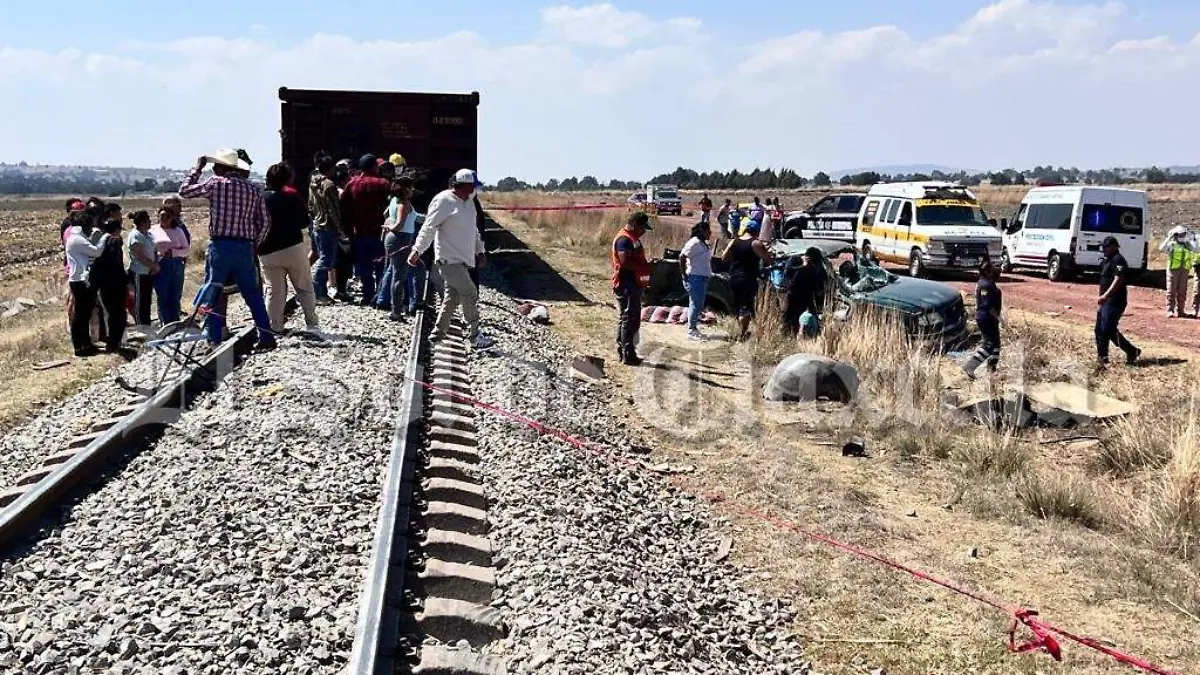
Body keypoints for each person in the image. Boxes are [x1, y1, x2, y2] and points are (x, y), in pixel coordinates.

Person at [178, 148, 276, 350]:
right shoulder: (254, 189)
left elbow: (184, 191)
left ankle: (214, 339)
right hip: (245, 247)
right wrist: (255, 244)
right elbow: (265, 221)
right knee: (252, 295)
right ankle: (266, 337)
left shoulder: (215, 184)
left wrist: (197, 168)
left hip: (221, 246)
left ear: (223, 167)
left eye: (216, 165)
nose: (213, 168)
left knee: (214, 291)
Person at [408, 169, 491, 348]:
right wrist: (417, 251)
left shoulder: (469, 202)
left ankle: (437, 333)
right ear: (463, 185)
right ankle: (475, 336)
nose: (475, 190)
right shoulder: (443, 201)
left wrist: (480, 251)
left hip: (463, 259)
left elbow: (473, 230)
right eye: (472, 186)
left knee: (452, 298)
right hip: (448, 259)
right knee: (470, 292)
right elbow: (429, 228)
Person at [261, 162, 326, 338]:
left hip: (267, 250)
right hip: (293, 247)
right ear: (287, 179)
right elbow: (305, 222)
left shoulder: (260, 198)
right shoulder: (292, 197)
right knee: (304, 286)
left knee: (274, 291)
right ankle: (312, 324)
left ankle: (275, 327)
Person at [340, 154, 391, 305]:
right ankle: (381, 296)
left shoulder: (352, 184)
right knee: (381, 266)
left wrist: (348, 231)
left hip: (359, 232)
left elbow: (343, 209)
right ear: (375, 167)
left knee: (364, 266)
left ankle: (368, 295)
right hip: (381, 232)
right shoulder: (383, 183)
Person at [63, 211, 113, 356]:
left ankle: (85, 344)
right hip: (80, 280)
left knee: (83, 315)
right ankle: (80, 346)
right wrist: (104, 237)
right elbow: (96, 252)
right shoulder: (77, 239)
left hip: (81, 279)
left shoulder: (76, 238)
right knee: (81, 316)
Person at [611, 211, 653, 364]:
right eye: (643, 228)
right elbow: (625, 262)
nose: (644, 232)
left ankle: (626, 351)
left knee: (629, 319)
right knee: (629, 319)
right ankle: (627, 354)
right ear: (635, 225)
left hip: (633, 284)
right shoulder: (624, 240)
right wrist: (644, 266)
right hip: (626, 285)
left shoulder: (633, 238)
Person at [722, 219, 773, 341]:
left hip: (734, 277)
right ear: (756, 231)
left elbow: (724, 257)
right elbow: (768, 260)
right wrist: (768, 252)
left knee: (738, 305)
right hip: (747, 278)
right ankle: (743, 334)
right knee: (746, 307)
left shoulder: (735, 241)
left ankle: (741, 331)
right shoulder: (755, 243)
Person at [1095, 236, 1141, 366]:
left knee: (1108, 329)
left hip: (1115, 301)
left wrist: (1106, 295)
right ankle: (1102, 359)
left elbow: (1118, 279)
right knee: (1099, 330)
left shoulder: (1118, 260)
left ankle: (1131, 351)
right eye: (1103, 247)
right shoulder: (1107, 260)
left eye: (1107, 247)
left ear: (1114, 246)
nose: (1104, 250)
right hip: (1105, 302)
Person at [380, 176, 418, 321]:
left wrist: (388, 223)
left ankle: (391, 305)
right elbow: (399, 225)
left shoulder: (393, 201)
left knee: (394, 272)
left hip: (393, 239)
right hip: (400, 239)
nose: (413, 190)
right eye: (412, 187)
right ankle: (396, 311)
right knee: (399, 277)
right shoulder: (404, 203)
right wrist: (390, 226)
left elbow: (386, 214)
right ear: (407, 189)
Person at [91, 211, 129, 351]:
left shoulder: (100, 242)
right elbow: (117, 265)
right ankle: (114, 343)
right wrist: (126, 280)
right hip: (115, 283)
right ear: (117, 230)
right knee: (118, 314)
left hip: (103, 283)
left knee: (111, 313)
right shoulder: (115, 242)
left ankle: (112, 342)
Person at [308, 153, 342, 304]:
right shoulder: (329, 185)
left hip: (317, 224)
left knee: (323, 258)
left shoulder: (313, 183)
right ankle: (317, 291)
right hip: (328, 226)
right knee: (326, 261)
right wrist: (340, 228)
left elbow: (310, 205)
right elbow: (333, 209)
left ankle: (319, 291)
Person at [962, 259, 1003, 379]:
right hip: (986, 318)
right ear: (987, 271)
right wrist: (1000, 318)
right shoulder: (986, 285)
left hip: (989, 318)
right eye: (992, 268)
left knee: (996, 344)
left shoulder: (987, 282)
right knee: (989, 344)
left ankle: (991, 370)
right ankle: (970, 366)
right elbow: (988, 306)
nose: (995, 270)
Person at [150, 206, 189, 325]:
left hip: (176, 264)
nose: (165, 219)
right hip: (160, 265)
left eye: (168, 216)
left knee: (175, 294)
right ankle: (165, 323)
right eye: (162, 216)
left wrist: (173, 252)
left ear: (172, 218)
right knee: (162, 295)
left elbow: (186, 249)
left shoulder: (178, 231)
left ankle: (175, 322)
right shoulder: (153, 230)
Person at [679, 221, 713, 341]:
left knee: (698, 304)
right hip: (694, 277)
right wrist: (684, 275)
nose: (710, 233)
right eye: (708, 230)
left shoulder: (702, 244)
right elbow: (682, 257)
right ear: (702, 231)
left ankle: (693, 328)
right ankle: (691, 330)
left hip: (702, 278)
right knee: (695, 304)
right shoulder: (694, 242)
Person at [784, 246, 828, 338]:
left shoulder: (818, 267)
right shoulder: (795, 261)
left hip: (807, 297)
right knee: (789, 319)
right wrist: (803, 266)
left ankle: (804, 337)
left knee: (805, 320)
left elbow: (821, 282)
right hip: (793, 295)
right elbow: (788, 275)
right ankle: (788, 336)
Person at [126, 210, 159, 330]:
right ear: (143, 222)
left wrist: (155, 264)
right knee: (139, 301)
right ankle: (140, 326)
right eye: (148, 220)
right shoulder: (135, 236)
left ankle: (146, 324)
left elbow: (154, 251)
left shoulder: (148, 235)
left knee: (147, 300)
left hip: (149, 272)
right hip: (139, 272)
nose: (150, 222)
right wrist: (153, 266)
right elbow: (140, 256)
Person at [1160, 225, 1194, 318]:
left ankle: (1181, 310)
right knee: (1171, 290)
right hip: (1173, 270)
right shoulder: (1172, 244)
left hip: (1184, 270)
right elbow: (1161, 248)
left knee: (1182, 291)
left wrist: (1192, 238)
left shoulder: (1187, 244)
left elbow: (1196, 249)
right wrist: (1169, 237)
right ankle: (1170, 310)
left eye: (1184, 234)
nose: (1182, 236)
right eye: (1180, 234)